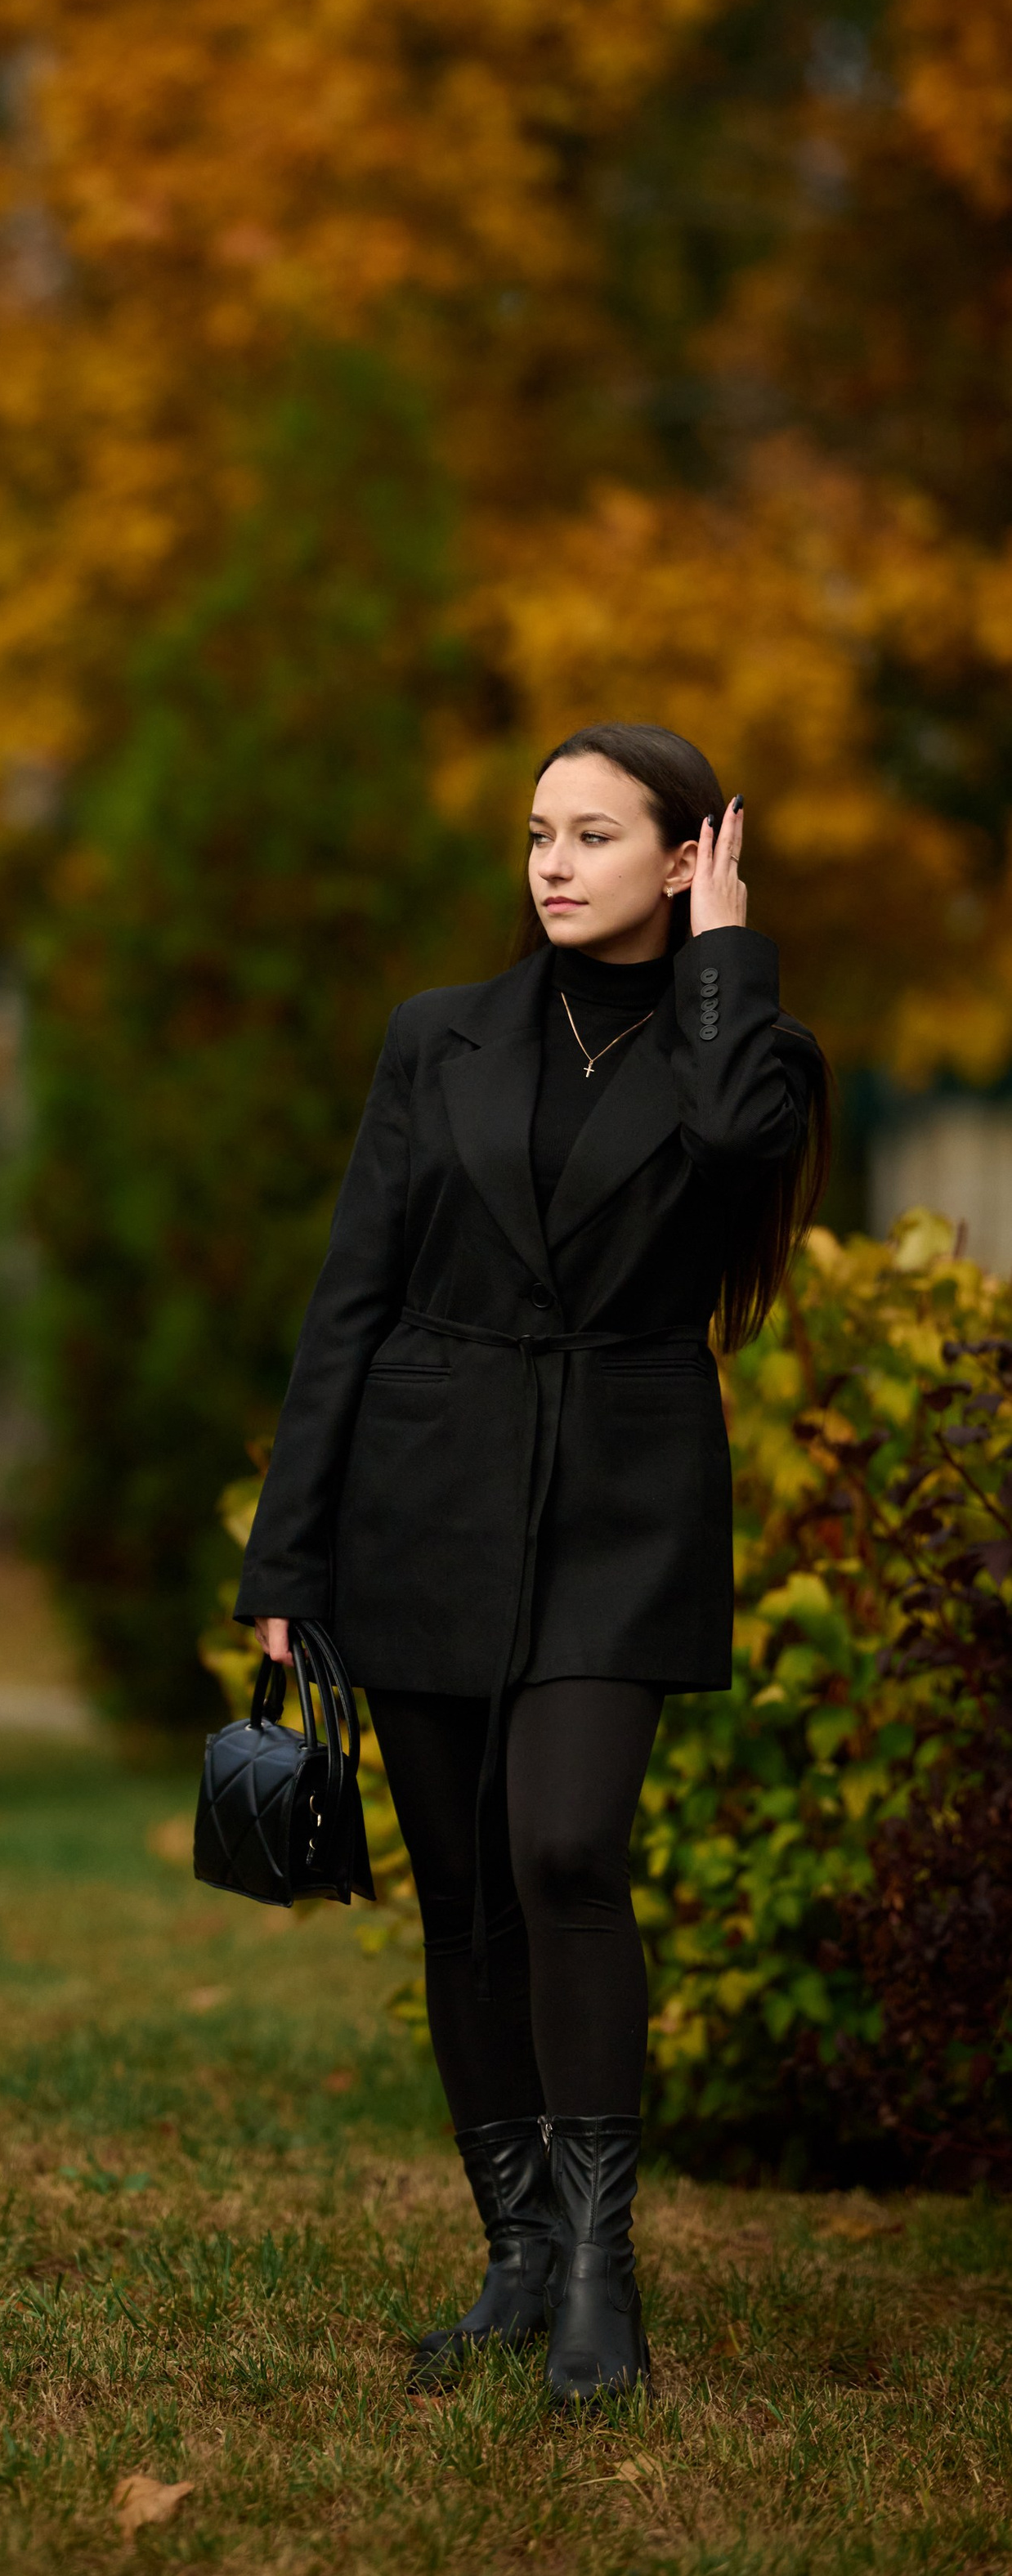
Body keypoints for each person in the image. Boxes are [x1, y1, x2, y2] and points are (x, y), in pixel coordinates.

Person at [237, 723, 828, 2408]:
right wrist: (288, 1555)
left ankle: (596, 2270)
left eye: (593, 834)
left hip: (622, 1502)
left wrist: (723, 959)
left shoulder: (748, 1044)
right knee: (466, 1895)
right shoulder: (437, 1037)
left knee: (565, 1847)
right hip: (425, 1489)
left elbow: (736, 1151)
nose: (553, 865)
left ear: (684, 856)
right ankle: (513, 2253)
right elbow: (352, 1296)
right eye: (536, 835)